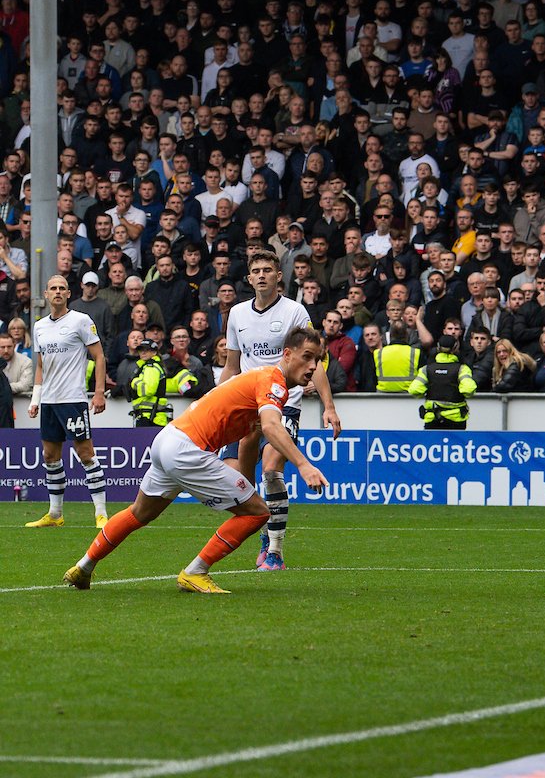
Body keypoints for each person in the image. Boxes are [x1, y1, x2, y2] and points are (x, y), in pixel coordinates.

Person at [63, 327, 329, 594]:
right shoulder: (273, 382)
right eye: (307, 356)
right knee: (258, 512)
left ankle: (83, 566)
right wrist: (303, 465)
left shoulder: (262, 379)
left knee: (139, 512)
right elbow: (271, 426)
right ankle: (195, 572)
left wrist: (246, 486)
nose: (312, 366)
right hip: (188, 450)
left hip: (168, 439)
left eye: (317, 360)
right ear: (287, 354)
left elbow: (250, 439)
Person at [220, 251, 341, 571]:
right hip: (247, 403)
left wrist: (329, 407)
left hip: (284, 402)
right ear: (249, 278)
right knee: (236, 479)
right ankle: (264, 527)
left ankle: (275, 550)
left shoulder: (294, 311)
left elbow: (313, 360)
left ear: (278, 276)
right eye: (256, 271)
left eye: (267, 270)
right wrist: (214, 403)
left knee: (272, 469)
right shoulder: (237, 314)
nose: (261, 275)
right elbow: (231, 365)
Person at [25, 275, 109, 529]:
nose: (58, 292)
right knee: (50, 456)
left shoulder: (81, 321)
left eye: (62, 288)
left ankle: (101, 513)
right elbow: (40, 366)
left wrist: (99, 392)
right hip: (49, 401)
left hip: (73, 398)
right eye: (53, 288)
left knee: (86, 454)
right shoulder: (39, 327)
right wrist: (35, 399)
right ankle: (55, 513)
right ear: (46, 294)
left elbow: (99, 356)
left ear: (69, 293)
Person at [409, 334, 477, 429]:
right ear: (455, 348)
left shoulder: (426, 369)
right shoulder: (462, 369)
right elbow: (469, 390)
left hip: (432, 418)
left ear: (438, 347)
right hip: (456, 420)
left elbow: (414, 390)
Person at [127, 338, 171, 427]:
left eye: (146, 350)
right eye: (141, 350)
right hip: (148, 416)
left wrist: (135, 382)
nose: (143, 352)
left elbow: (148, 391)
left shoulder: (151, 367)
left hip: (152, 418)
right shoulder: (145, 366)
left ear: (154, 352)